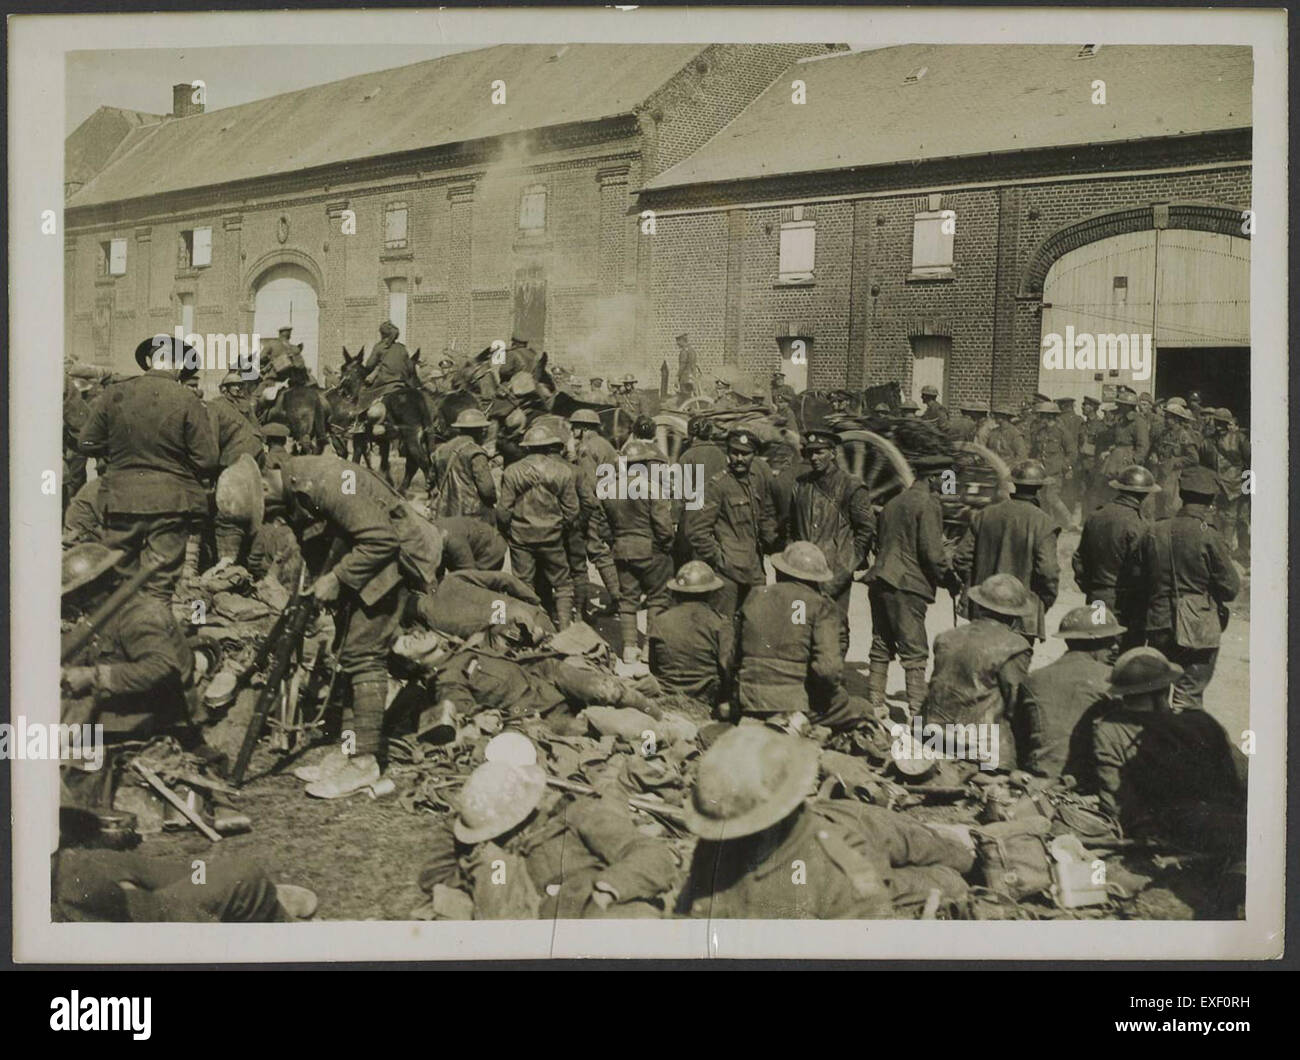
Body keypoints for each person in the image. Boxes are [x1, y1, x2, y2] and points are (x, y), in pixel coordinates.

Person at [271, 452, 442, 797]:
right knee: (349, 656)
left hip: (396, 562)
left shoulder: (327, 481)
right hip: (369, 562)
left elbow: (381, 539)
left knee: (365, 658)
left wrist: (337, 578)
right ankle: (350, 750)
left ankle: (364, 764)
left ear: (264, 485)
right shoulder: (294, 487)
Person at [676, 727, 973, 919]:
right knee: (950, 880)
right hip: (869, 874)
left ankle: (967, 845)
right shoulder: (716, 851)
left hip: (852, 826)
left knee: (951, 853)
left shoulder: (832, 858)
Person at [418, 756, 677, 919]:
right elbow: (432, 875)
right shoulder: (492, 860)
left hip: (606, 915)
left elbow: (651, 853)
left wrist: (609, 889)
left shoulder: (579, 814)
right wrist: (464, 819)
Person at [77, 336, 220, 600]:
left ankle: (120, 634)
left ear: (148, 362)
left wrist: (119, 454)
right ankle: (153, 634)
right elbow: (208, 460)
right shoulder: (187, 399)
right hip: (170, 502)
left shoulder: (113, 393)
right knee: (159, 584)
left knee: (119, 579)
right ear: (178, 366)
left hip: (120, 499)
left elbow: (86, 442)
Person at [1086, 647, 1246, 862]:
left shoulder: (1109, 730)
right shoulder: (1202, 722)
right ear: (1164, 691)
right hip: (1229, 824)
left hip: (1174, 833)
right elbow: (1241, 778)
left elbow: (1115, 801)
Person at [59, 543, 195, 742]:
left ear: (98, 585)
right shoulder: (106, 612)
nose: (75, 603)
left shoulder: (139, 615)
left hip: (161, 718)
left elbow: (163, 668)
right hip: (130, 704)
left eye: (79, 595)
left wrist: (92, 676)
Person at [1134, 466, 1240, 710]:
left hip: (1159, 621)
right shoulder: (1209, 535)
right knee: (1188, 697)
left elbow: (1138, 578)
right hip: (1198, 626)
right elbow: (1230, 588)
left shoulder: (1155, 529)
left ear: (1181, 494)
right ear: (1212, 498)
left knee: (1156, 693)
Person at [734, 542, 867, 730]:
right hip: (796, 702)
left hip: (749, 698)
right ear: (817, 580)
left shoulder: (755, 595)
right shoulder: (821, 606)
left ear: (781, 571)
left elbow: (731, 655)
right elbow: (828, 670)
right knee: (863, 708)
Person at [863, 453, 954, 714]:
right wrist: (949, 579)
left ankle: (875, 703)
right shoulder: (928, 503)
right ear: (934, 477)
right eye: (945, 478)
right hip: (906, 584)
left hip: (880, 579)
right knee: (914, 650)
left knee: (881, 643)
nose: (947, 483)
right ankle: (916, 711)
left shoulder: (894, 502)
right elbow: (932, 554)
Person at [922, 574, 1036, 772]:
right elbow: (1015, 704)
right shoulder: (1015, 646)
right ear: (1015, 616)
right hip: (979, 746)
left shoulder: (946, 637)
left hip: (933, 735)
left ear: (981, 605)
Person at [788, 429, 875, 657]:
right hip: (802, 575)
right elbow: (791, 528)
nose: (814, 458)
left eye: (820, 452)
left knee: (834, 631)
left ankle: (832, 681)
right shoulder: (801, 485)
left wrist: (845, 567)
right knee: (800, 629)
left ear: (833, 453)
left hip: (834, 574)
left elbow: (865, 531)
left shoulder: (851, 487)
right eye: (810, 453)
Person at [52, 848, 317, 922]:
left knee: (108, 860)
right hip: (123, 919)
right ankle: (290, 932)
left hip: (64, 880)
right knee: (243, 874)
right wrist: (129, 895)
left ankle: (262, 901)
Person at [953, 459, 1060, 642]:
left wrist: (976, 587)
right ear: (1040, 487)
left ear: (1014, 484)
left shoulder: (985, 514)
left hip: (983, 607)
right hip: (1021, 613)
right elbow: (1048, 571)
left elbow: (961, 558)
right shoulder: (1043, 522)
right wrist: (1042, 602)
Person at [1012, 606, 1120, 780]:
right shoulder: (1111, 679)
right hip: (1087, 781)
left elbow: (1020, 735)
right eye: (1108, 640)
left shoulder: (1033, 678)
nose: (1115, 646)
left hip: (1038, 776)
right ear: (1092, 642)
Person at [683, 427, 779, 617]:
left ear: (755, 455)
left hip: (754, 569)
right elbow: (696, 532)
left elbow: (765, 514)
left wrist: (771, 541)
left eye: (745, 453)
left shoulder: (755, 481)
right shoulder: (716, 486)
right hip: (727, 575)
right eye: (734, 453)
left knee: (754, 627)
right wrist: (720, 560)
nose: (739, 458)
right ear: (728, 454)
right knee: (724, 628)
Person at [594, 439, 674, 662]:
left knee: (627, 600)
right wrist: (665, 546)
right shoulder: (652, 487)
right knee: (658, 598)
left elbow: (603, 526)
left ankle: (629, 648)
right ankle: (650, 647)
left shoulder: (609, 488)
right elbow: (664, 527)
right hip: (651, 551)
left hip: (622, 550)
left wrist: (616, 541)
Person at [497, 424, 581, 629]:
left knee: (524, 583)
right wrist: (561, 527)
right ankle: (564, 628)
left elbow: (504, 509)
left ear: (526, 447)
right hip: (552, 536)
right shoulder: (563, 471)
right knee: (562, 584)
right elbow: (572, 510)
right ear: (550, 446)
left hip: (521, 537)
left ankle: (530, 628)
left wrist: (508, 530)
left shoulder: (512, 471)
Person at [1072, 464, 1155, 649]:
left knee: (1097, 648)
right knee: (1126, 657)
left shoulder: (1095, 516)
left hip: (1098, 597)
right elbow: (1141, 570)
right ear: (1144, 495)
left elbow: (1079, 559)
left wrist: (1092, 588)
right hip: (1127, 604)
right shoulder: (1140, 525)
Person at [646, 561, 734, 711]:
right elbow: (728, 668)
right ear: (711, 593)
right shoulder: (720, 623)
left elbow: (654, 666)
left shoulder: (659, 621)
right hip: (707, 698)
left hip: (667, 694)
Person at [567, 408, 621, 621]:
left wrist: (572, 460)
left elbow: (587, 483)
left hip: (595, 505)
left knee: (596, 549)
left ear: (582, 428)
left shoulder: (587, 449)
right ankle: (621, 598)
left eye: (575, 426)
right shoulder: (606, 444)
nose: (572, 430)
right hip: (611, 501)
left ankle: (618, 599)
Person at [1200, 407, 1251, 560]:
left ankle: (1236, 551)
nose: (1220, 427)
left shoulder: (1240, 439)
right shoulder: (1209, 440)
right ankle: (1220, 551)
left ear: (1229, 423)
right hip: (1218, 485)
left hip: (1237, 485)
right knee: (1218, 517)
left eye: (1224, 423)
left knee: (1237, 518)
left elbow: (1251, 461)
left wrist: (1249, 486)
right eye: (1218, 423)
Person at [429, 408, 497, 520]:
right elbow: (487, 490)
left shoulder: (441, 450)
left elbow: (430, 481)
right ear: (479, 430)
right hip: (471, 514)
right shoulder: (475, 451)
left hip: (443, 513)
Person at [1027, 401, 1075, 529]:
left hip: (1055, 471)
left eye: (1043, 415)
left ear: (1050, 416)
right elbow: (1035, 451)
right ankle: (1048, 522)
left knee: (1051, 496)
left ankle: (1069, 521)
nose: (1040, 418)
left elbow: (1072, 452)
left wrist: (1064, 466)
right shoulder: (1040, 432)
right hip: (1041, 471)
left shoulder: (1062, 432)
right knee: (1042, 498)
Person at [1149, 402, 1201, 519]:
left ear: (1177, 419)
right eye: (1166, 417)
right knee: (1158, 506)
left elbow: (1194, 458)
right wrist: (1154, 455)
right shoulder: (1164, 433)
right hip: (1161, 474)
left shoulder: (1184, 435)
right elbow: (1156, 448)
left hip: (1175, 477)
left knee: (1170, 508)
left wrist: (1174, 462)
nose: (1166, 420)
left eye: (1169, 418)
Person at [361, 320, 413, 402]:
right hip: (402, 384)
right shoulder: (402, 348)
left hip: (383, 385)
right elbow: (410, 368)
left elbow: (369, 366)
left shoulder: (379, 347)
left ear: (382, 334)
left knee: (363, 398)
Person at [433, 515, 507, 573]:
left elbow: (469, 573)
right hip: (468, 544)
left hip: (491, 548)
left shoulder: (453, 541)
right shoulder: (430, 531)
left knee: (476, 582)